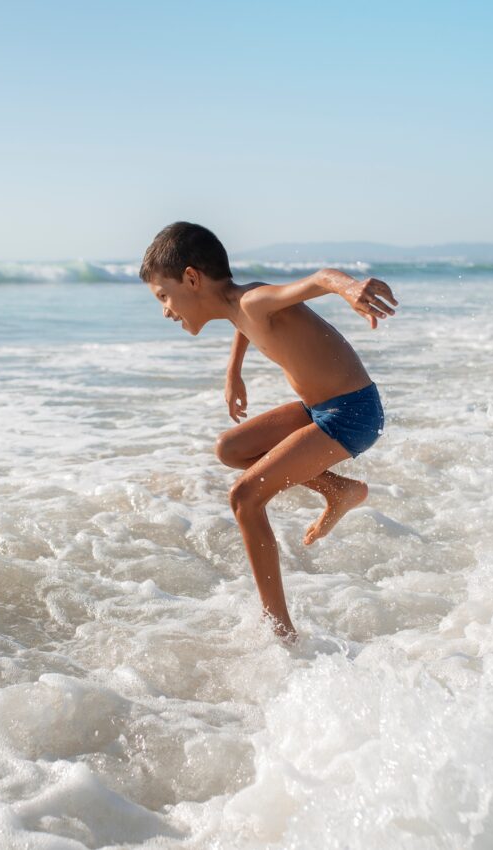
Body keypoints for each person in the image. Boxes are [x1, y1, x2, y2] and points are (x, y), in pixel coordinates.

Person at [140, 222, 397, 639]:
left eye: (163, 296)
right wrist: (233, 373)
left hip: (352, 414)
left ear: (191, 278)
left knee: (245, 497)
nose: (165, 310)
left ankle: (280, 628)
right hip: (318, 409)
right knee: (230, 449)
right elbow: (241, 324)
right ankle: (338, 491)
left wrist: (349, 288)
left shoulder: (254, 300)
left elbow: (320, 279)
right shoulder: (237, 305)